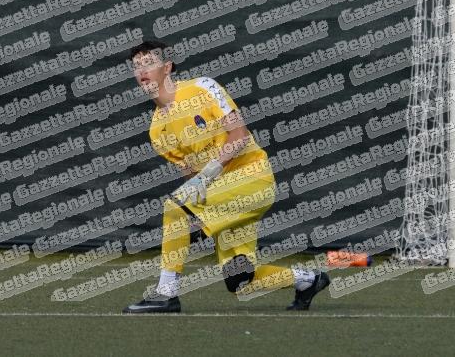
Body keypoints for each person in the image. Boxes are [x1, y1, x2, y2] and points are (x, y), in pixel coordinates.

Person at [123, 40, 329, 313]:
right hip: (223, 196)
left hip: (252, 179)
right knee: (240, 280)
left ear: (168, 67)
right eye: (136, 66)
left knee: (174, 206)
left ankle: (165, 294)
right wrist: (195, 215)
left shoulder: (202, 88)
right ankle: (308, 280)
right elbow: (192, 178)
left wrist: (206, 178)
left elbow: (239, 135)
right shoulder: (156, 131)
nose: (142, 70)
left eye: (149, 62)